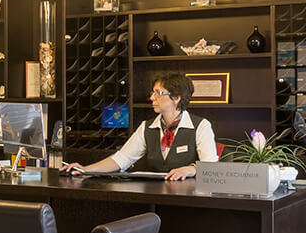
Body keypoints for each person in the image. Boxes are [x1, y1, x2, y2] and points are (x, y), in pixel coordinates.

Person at [61, 72, 219, 181]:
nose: (152, 98)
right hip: (154, 196)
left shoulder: (201, 126)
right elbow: (122, 159)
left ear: (176, 97)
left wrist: (190, 169)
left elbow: (210, 166)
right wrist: (85, 169)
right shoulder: (147, 127)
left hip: (189, 199)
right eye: (152, 93)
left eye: (158, 93)